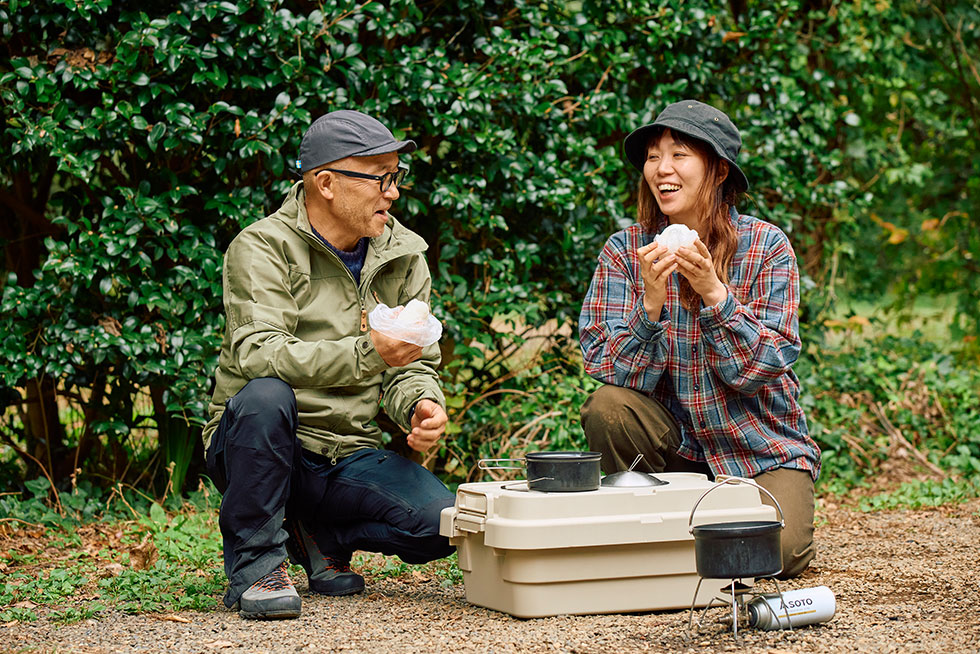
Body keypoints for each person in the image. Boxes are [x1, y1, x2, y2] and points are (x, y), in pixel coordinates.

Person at [202, 110, 456, 620]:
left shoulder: (403, 255)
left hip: (346, 451)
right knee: (265, 395)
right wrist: (367, 354)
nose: (393, 193)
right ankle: (256, 566)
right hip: (263, 443)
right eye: (381, 178)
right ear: (326, 183)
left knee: (442, 524)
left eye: (396, 177)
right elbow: (258, 353)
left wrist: (421, 403)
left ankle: (319, 530)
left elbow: (410, 361)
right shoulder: (261, 247)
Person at [578, 100, 820, 579]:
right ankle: (655, 529)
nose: (661, 170)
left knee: (781, 555)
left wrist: (714, 294)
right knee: (607, 406)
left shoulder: (767, 247)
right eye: (652, 156)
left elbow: (762, 368)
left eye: (679, 155)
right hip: (675, 449)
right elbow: (609, 370)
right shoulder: (625, 251)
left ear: (718, 170)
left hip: (758, 446)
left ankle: (695, 533)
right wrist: (649, 308)